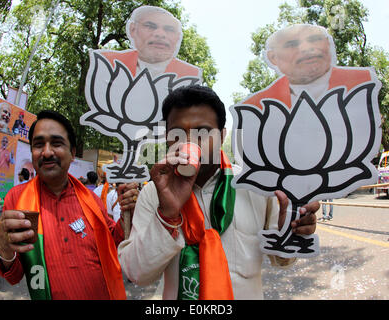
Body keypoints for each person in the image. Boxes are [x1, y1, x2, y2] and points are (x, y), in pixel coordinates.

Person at [118, 85, 319, 300]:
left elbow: (282, 260)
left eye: (203, 132)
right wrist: (167, 215)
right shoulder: (153, 193)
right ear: (167, 137)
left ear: (222, 135)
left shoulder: (255, 186)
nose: (189, 142)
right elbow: (136, 274)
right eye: (178, 134)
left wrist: (291, 231)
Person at [0, 110, 139, 300]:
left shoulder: (91, 200)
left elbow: (113, 241)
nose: (46, 152)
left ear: (72, 153)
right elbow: (14, 276)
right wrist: (3, 247)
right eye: (38, 145)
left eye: (56, 143)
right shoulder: (17, 200)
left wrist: (131, 210)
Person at [242, 24, 372, 109]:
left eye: (315, 39)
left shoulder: (364, 82)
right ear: (273, 57)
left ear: (328, 43)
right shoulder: (256, 107)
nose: (307, 48)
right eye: (292, 45)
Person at [100, 5, 202, 79]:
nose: (160, 34)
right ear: (133, 29)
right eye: (150, 26)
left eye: (169, 29)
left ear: (178, 37)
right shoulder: (107, 63)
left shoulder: (190, 75)